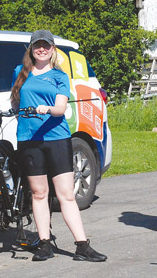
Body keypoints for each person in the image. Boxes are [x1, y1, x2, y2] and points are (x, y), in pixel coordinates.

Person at [10, 29, 106, 262]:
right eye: (37, 45)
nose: (41, 49)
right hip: (28, 140)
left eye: (46, 45)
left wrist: (48, 109)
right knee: (39, 193)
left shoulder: (60, 76)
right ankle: (44, 243)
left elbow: (61, 108)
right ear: (31, 50)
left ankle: (82, 245)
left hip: (56, 139)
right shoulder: (20, 73)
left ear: (53, 50)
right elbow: (15, 100)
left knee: (66, 195)